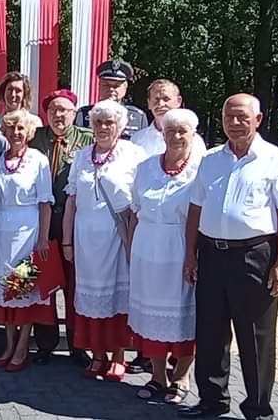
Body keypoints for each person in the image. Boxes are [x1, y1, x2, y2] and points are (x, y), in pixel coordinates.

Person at [179, 94, 278, 420]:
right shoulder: (211, 159)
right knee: (210, 333)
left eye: (241, 117)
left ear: (257, 120)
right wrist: (190, 255)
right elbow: (196, 209)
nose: (234, 123)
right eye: (228, 116)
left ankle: (258, 410)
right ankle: (212, 402)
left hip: (254, 257)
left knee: (256, 338)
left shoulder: (277, 160)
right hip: (212, 254)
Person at [62, 99, 147, 381]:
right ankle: (97, 354)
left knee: (117, 297)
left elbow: (139, 202)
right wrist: (67, 241)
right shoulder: (82, 156)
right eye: (98, 122)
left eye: (109, 122)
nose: (102, 127)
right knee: (90, 297)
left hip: (116, 237)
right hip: (86, 239)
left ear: (121, 126)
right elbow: (71, 201)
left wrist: (136, 242)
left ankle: (119, 355)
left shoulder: (134, 154)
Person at [128, 108, 202, 404]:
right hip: (147, 247)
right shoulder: (146, 168)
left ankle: (181, 376)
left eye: (183, 130)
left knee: (184, 313)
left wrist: (193, 256)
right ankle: (157, 376)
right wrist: (132, 251)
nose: (176, 136)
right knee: (150, 314)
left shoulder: (200, 170)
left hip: (180, 247)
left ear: (193, 134)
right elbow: (135, 212)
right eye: (171, 131)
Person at [0, 109, 54, 372]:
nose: (15, 133)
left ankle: (23, 345)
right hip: (0, 230)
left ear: (30, 132)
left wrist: (43, 238)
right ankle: (9, 343)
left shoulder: (38, 160)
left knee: (22, 288)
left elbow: (46, 202)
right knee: (6, 289)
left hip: (27, 231)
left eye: (20, 129)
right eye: (11, 129)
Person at [30, 89, 94, 367]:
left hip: (73, 224)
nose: (59, 115)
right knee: (44, 287)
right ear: (46, 113)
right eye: (53, 110)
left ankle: (77, 345)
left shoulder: (87, 139)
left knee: (74, 287)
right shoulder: (36, 138)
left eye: (64, 110)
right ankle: (45, 343)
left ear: (74, 112)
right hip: (42, 223)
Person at [130, 79, 206, 156]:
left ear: (178, 101)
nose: (160, 104)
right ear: (149, 103)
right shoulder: (137, 139)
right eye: (156, 99)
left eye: (166, 99)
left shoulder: (193, 140)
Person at [75, 60, 148, 139]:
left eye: (116, 86)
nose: (111, 89)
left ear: (125, 88)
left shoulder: (138, 117)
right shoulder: (83, 114)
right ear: (99, 86)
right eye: (106, 85)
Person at [0, 72, 33, 152]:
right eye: (10, 89)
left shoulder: (34, 121)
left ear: (24, 94)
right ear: (3, 92)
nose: (13, 94)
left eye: (18, 91)